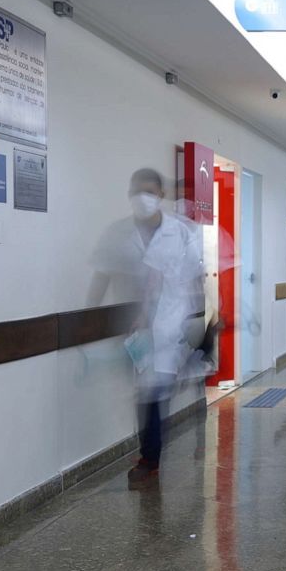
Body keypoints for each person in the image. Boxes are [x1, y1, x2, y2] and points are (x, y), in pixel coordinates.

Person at [89, 168, 204, 489]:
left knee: (151, 395)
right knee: (146, 393)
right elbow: (102, 273)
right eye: (138, 190)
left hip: (171, 325)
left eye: (150, 191)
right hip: (134, 329)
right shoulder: (117, 232)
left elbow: (194, 276)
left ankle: (149, 459)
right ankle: (150, 455)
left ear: (161, 196)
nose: (144, 198)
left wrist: (199, 319)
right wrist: (89, 316)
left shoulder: (179, 232)